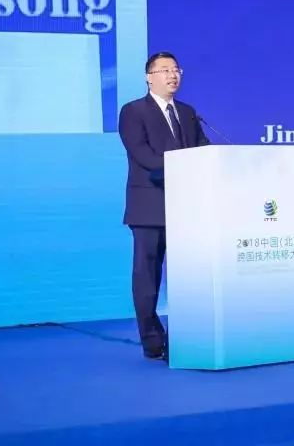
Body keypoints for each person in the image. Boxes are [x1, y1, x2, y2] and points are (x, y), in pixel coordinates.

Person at [118, 52, 209, 360]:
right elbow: (142, 155)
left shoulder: (187, 112)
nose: (173, 75)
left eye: (176, 70)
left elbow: (203, 149)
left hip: (187, 207)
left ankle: (187, 336)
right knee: (147, 276)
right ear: (149, 77)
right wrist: (185, 167)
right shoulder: (133, 111)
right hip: (149, 207)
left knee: (190, 274)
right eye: (165, 70)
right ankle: (153, 340)